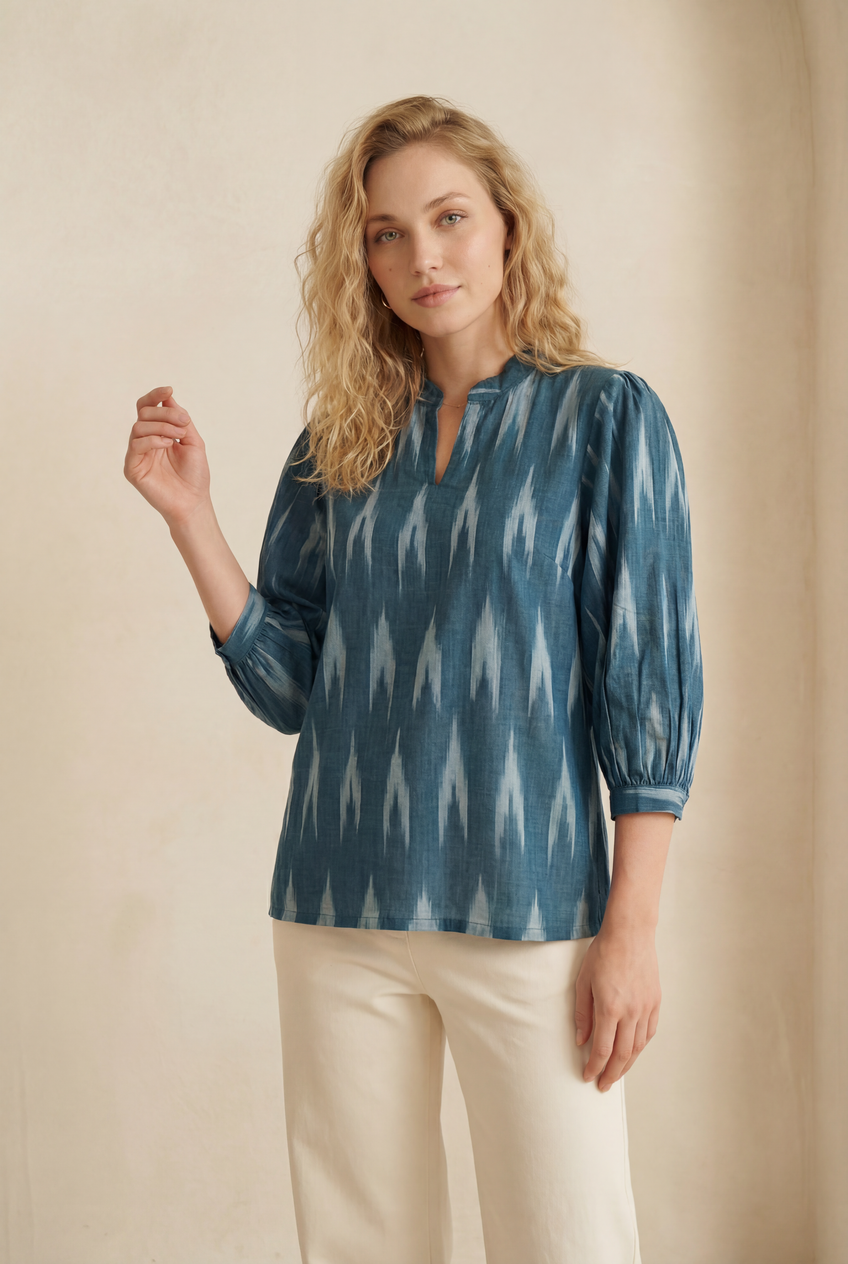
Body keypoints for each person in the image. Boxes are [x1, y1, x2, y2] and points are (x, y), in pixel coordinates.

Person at [124, 95, 703, 1264]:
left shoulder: (603, 418)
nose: (422, 258)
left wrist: (630, 929)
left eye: (447, 218)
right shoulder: (338, 437)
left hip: (530, 904)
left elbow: (646, 685)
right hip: (336, 904)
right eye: (386, 234)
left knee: (569, 1242)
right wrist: (192, 519)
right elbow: (290, 686)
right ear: (363, 263)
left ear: (506, 224)